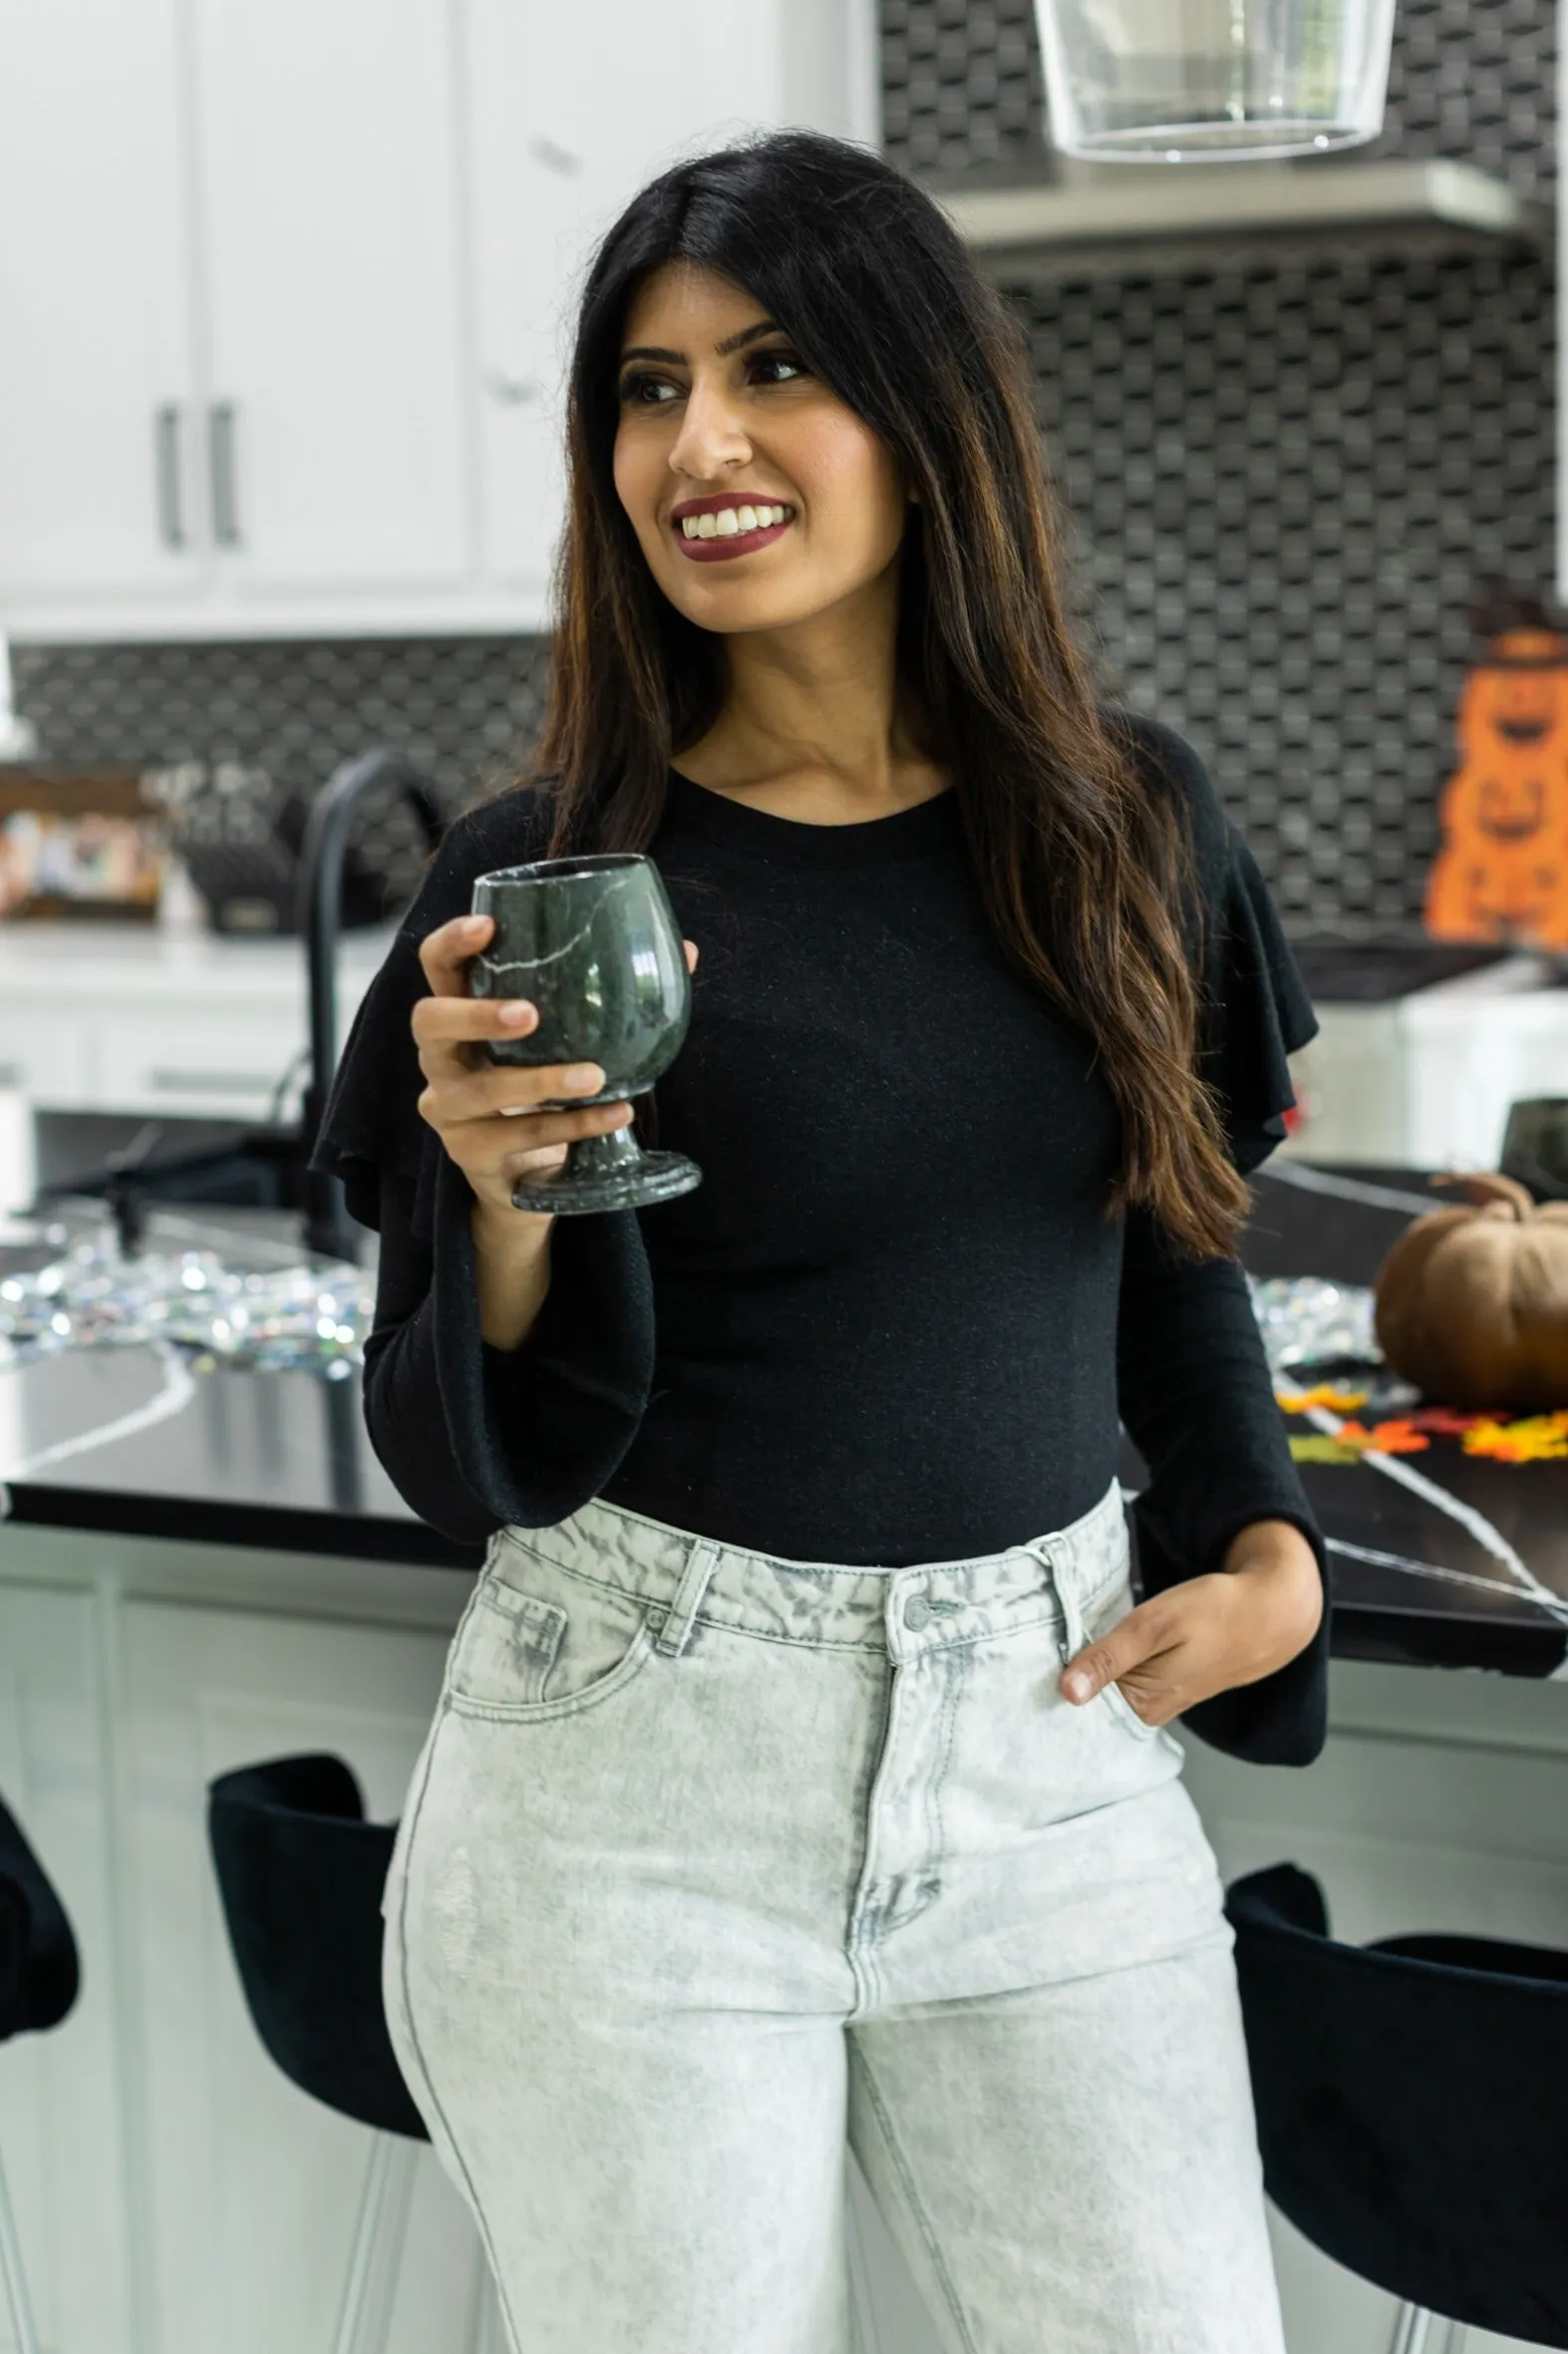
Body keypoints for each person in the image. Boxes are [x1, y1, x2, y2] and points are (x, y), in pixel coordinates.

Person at [316, 130, 1327, 2354]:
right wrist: (492, 1203)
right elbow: (448, 1453)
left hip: (1052, 1760)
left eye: (774, 366)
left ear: (926, 408)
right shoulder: (543, 878)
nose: (702, 443)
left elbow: (1173, 1242)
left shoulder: (1128, 825)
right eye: (648, 388)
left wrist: (1265, 1544)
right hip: (627, 1788)